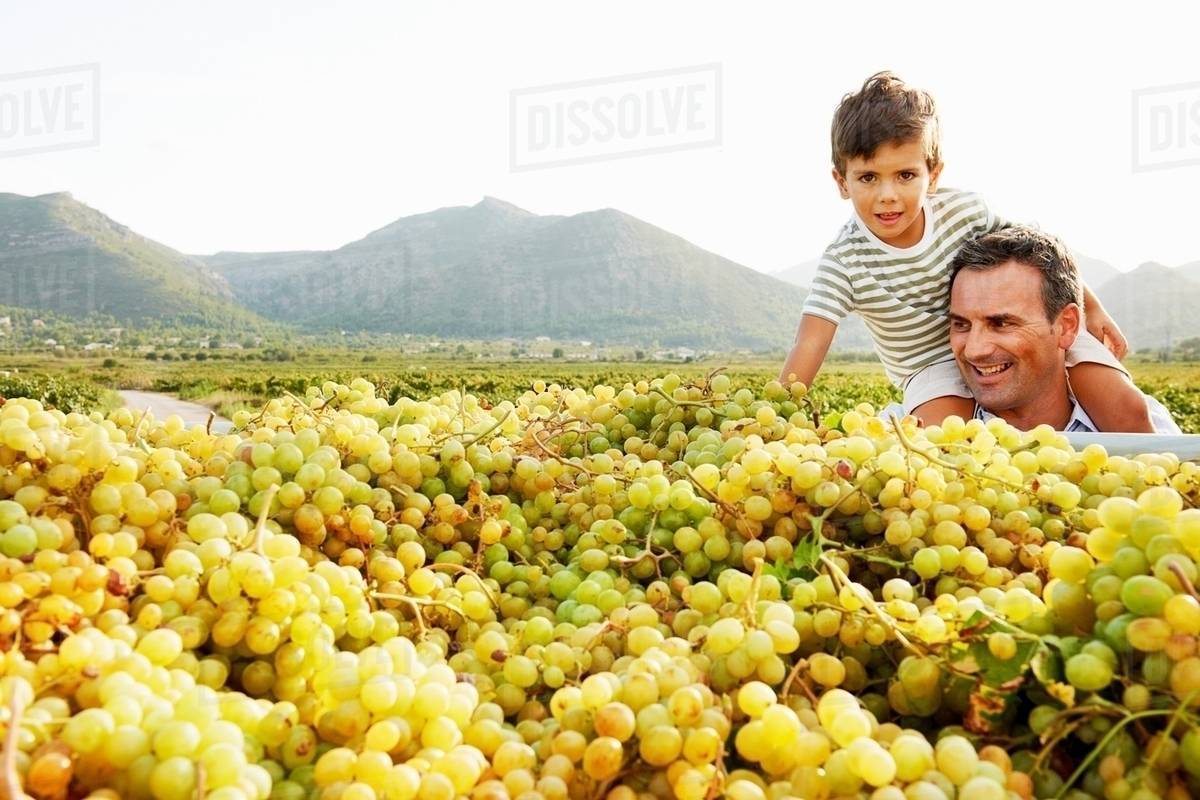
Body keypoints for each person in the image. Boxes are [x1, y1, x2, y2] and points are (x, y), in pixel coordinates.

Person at [778, 71, 1153, 432]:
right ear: (841, 182)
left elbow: (1039, 258)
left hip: (1009, 340)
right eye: (868, 177)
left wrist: (1095, 308)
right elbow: (810, 340)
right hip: (930, 365)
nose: (888, 195)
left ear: (934, 175)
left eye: (905, 176)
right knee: (941, 438)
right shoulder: (844, 261)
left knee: (1126, 408)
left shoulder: (965, 211)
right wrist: (779, 415)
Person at [947, 225, 1179, 433]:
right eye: (961, 324)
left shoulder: (1149, 432)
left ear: (1067, 326)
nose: (974, 350)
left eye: (1001, 324)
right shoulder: (921, 439)